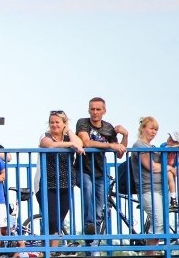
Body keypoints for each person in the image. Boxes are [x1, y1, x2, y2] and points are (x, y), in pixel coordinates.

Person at [74, 97, 128, 237]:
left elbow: (120, 153)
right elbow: (86, 142)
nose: (95, 112)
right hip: (83, 169)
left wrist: (125, 135)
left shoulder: (108, 128)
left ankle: (92, 244)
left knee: (99, 209)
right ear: (88, 110)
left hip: (100, 171)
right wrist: (109, 145)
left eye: (98, 109)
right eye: (92, 109)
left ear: (104, 111)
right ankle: (88, 224)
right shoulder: (83, 123)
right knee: (87, 188)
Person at [37, 110, 84, 248]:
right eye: (52, 122)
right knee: (53, 219)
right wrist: (70, 145)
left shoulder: (70, 137)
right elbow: (49, 145)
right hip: (47, 184)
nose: (54, 125)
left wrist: (69, 132)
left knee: (59, 220)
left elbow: (80, 143)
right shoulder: (45, 136)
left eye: (58, 122)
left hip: (66, 183)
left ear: (64, 123)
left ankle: (52, 251)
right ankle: (48, 251)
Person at [132, 117, 165, 250]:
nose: (154, 132)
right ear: (143, 128)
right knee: (159, 222)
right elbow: (150, 166)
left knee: (159, 222)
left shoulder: (152, 147)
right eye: (151, 128)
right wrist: (168, 168)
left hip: (158, 189)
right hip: (148, 189)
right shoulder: (139, 145)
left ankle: (152, 253)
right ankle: (150, 254)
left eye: (156, 129)